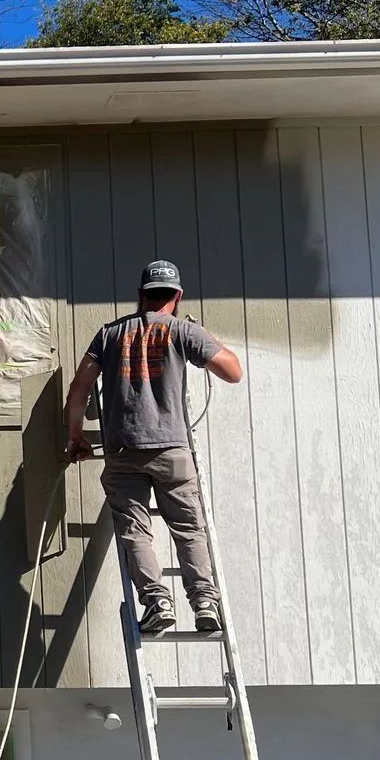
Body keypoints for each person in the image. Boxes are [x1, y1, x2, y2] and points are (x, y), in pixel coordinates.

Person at [65, 260, 243, 634]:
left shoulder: (109, 334)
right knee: (189, 529)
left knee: (134, 530)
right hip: (172, 451)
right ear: (177, 296)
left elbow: (79, 389)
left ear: (140, 295)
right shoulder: (184, 331)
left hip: (124, 451)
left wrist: (76, 435)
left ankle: (157, 601)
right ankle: (205, 603)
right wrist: (204, 336)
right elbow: (233, 372)